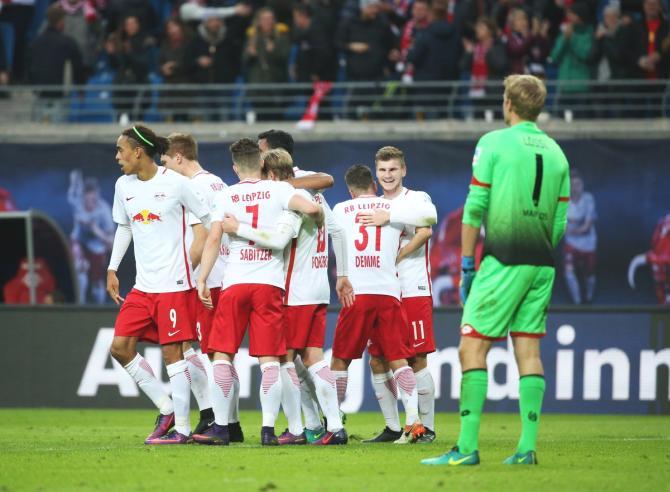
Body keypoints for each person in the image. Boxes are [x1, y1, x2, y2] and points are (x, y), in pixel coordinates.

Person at [421, 74, 570, 466]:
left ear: (508, 104)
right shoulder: (557, 153)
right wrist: (536, 250)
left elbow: (474, 208)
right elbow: (559, 224)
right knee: (529, 349)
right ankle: (526, 449)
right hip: (542, 263)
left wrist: (468, 265)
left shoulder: (493, 143)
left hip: (503, 260)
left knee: (472, 346)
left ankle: (467, 448)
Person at [192, 138, 324, 446]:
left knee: (222, 355)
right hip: (269, 285)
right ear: (262, 165)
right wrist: (315, 217)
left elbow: (212, 240)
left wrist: (202, 279)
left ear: (235, 167)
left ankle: (222, 427)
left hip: (235, 283)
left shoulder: (226, 194)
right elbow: (311, 207)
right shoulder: (280, 189)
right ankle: (267, 430)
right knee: (270, 360)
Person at [227, 148, 352, 445]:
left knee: (283, 360)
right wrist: (342, 274)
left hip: (294, 292)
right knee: (313, 357)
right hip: (317, 288)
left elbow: (279, 239)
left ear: (271, 175)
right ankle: (334, 426)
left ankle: (297, 429)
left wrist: (238, 228)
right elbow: (340, 233)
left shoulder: (292, 204)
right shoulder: (318, 198)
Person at [106, 124, 211, 445]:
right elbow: (125, 227)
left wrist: (198, 270)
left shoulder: (178, 185)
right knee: (120, 348)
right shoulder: (123, 185)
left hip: (175, 285)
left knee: (173, 354)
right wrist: (112, 268)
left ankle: (181, 430)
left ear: (138, 152)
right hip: (143, 286)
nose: (117, 157)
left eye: (120, 150)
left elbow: (208, 222)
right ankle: (166, 409)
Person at [330, 164, 437, 444]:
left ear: (350, 190)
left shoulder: (341, 209)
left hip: (357, 292)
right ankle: (412, 422)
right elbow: (426, 222)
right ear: (374, 185)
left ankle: (333, 421)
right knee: (399, 358)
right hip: (390, 293)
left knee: (340, 358)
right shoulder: (389, 210)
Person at [159, 133, 244, 442]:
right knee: (211, 353)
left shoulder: (192, 187)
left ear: (178, 158)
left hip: (206, 280)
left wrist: (181, 276)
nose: (163, 169)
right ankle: (225, 420)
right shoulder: (217, 182)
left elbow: (203, 239)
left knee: (205, 352)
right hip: (223, 276)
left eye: (165, 162)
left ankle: (216, 418)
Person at [363, 146, 437, 444]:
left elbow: (426, 230)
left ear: (403, 170)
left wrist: (398, 254)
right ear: (376, 173)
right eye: (382, 170)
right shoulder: (373, 205)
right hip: (382, 292)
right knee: (377, 360)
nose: (388, 175)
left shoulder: (417, 198)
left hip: (412, 289)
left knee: (416, 358)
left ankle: (427, 428)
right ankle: (394, 427)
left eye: (393, 169)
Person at [26, 3, 85, 122]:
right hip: (60, 93)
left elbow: (28, 67)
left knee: (39, 129)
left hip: (40, 93)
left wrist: (34, 86)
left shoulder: (35, 43)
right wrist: (80, 88)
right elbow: (78, 67)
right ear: (60, 22)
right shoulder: (68, 42)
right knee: (59, 130)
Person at [67, 171, 114, 304]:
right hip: (79, 241)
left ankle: (99, 308)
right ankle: (79, 305)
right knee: (81, 273)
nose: (89, 204)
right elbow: (73, 188)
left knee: (96, 282)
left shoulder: (104, 210)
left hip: (97, 245)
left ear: (97, 196)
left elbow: (111, 243)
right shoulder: (76, 202)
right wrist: (75, 177)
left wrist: (96, 230)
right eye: (86, 200)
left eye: (92, 200)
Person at [563, 169, 597, 304]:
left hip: (588, 244)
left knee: (589, 273)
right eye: (571, 185)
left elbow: (587, 227)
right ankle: (577, 302)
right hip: (571, 243)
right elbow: (560, 226)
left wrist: (571, 228)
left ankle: (589, 297)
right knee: (568, 272)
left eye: (577, 185)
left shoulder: (588, 199)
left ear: (582, 185)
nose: (575, 188)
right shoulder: (563, 201)